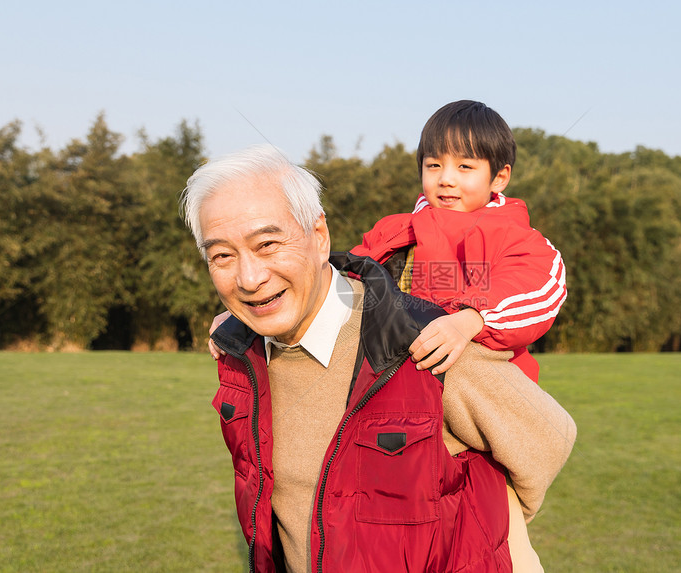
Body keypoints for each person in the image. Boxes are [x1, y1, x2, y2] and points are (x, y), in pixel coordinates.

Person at [182, 144, 576, 573]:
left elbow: (549, 440)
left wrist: (488, 532)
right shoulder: (239, 354)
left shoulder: (428, 342)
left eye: (268, 244)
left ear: (318, 237)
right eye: (222, 255)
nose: (250, 278)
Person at [351, 100, 566, 382]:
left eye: (465, 166)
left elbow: (535, 288)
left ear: (499, 177)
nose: (446, 178)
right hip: (396, 388)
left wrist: (470, 320)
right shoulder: (392, 230)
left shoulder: (513, 236)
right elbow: (350, 282)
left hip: (485, 390)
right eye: (434, 165)